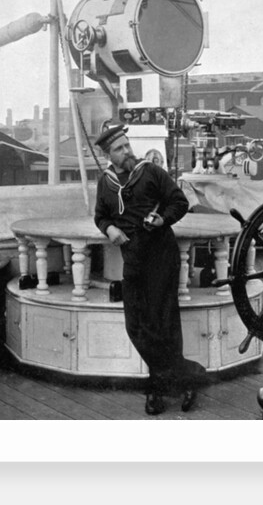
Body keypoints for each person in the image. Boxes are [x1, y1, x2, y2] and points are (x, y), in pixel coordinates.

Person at [93, 124, 206, 415]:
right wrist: (110, 229)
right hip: (133, 260)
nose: (127, 152)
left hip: (161, 257)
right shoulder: (105, 183)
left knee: (164, 322)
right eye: (119, 149)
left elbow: (179, 202)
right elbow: (100, 216)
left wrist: (161, 220)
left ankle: (157, 388)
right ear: (109, 155)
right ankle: (188, 374)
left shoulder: (151, 172)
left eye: (127, 145)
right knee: (136, 325)